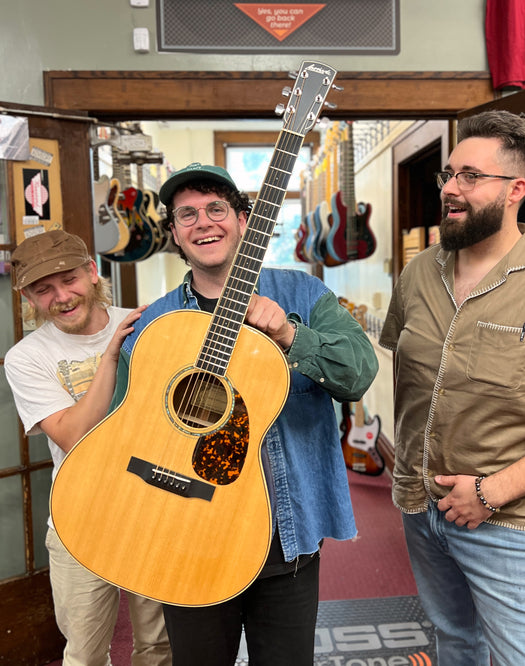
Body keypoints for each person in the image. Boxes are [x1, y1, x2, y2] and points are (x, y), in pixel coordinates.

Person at [109, 162, 379, 665]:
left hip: (285, 534)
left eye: (216, 209)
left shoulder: (303, 295)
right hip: (185, 537)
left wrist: (292, 337)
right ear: (173, 234)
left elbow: (359, 374)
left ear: (244, 221)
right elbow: (123, 432)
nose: (203, 222)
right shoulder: (153, 324)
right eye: (186, 214)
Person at [379, 109, 525, 666]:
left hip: (506, 521)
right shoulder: (419, 274)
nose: (451, 189)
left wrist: (491, 493)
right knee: (456, 644)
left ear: (516, 189)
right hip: (420, 508)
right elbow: (410, 380)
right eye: (449, 174)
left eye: (470, 176)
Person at [4, 229, 171, 666]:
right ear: (29, 298)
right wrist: (112, 356)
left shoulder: (148, 323)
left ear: (93, 273)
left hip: (153, 507)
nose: (62, 296)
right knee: (84, 653)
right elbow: (73, 434)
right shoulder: (26, 358)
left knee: (159, 646)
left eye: (70, 279)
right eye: (44, 290)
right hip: (80, 518)